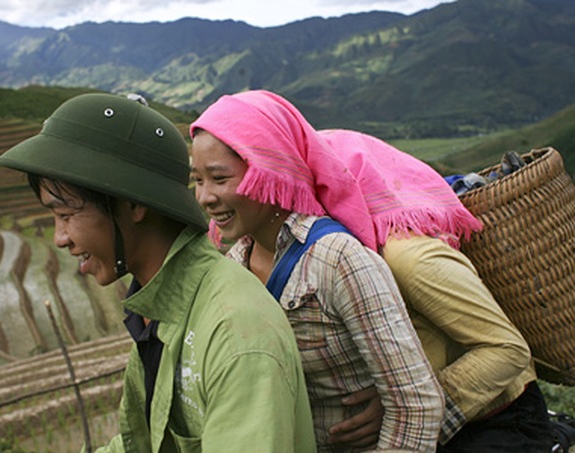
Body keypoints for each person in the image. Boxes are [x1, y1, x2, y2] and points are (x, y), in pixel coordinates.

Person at [189, 89, 555, 452]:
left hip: (495, 421)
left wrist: (411, 402)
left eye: (220, 179)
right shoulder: (277, 254)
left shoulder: (406, 256)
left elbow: (506, 349)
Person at [0, 92, 317, 453]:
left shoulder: (234, 334)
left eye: (66, 215)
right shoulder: (158, 309)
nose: (60, 238)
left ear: (132, 203)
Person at [190, 95, 445, 452]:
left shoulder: (337, 261)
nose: (205, 197)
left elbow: (416, 404)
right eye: (197, 180)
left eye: (219, 178)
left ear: (267, 168)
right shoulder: (233, 267)